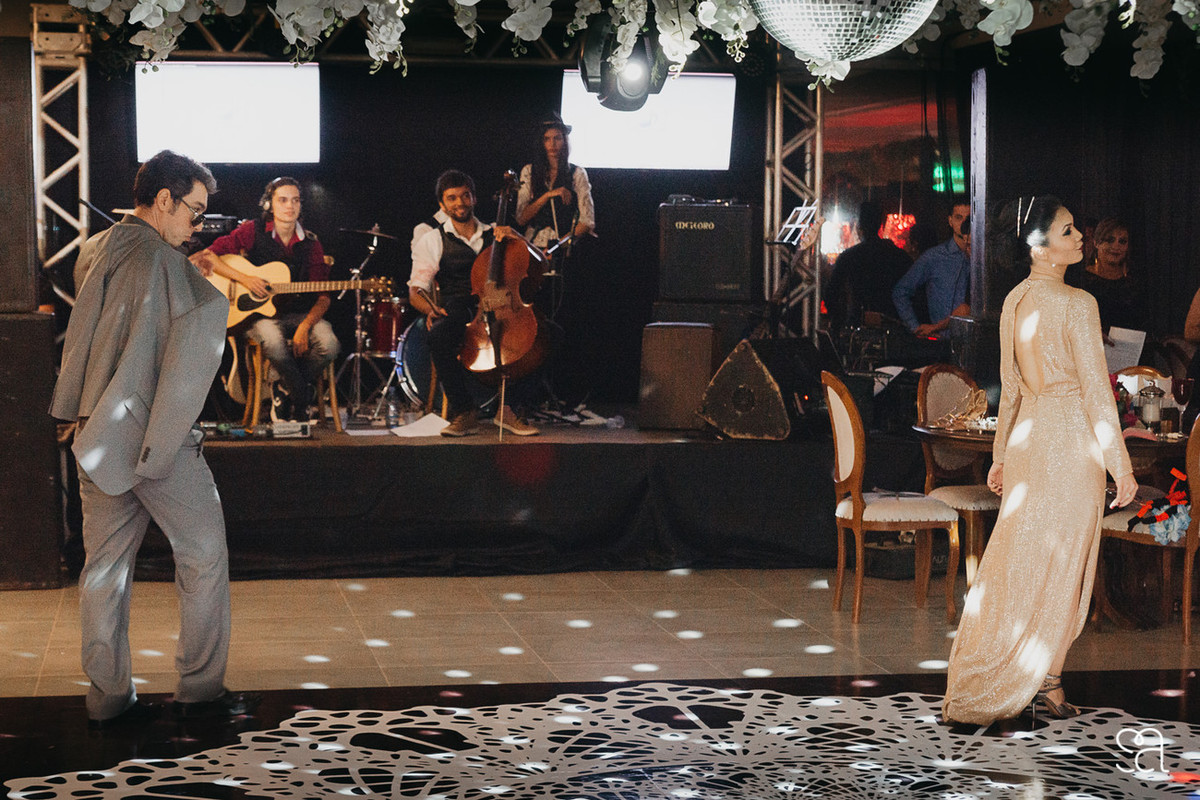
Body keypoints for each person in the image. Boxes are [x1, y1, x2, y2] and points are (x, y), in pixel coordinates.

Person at [49, 150, 259, 729]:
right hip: (155, 439)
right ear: (164, 200)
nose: (198, 227)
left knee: (104, 571)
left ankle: (108, 700)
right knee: (204, 555)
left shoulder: (98, 249)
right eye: (194, 212)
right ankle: (200, 692)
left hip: (94, 434)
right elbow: (201, 326)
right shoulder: (166, 264)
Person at [942, 195, 1137, 725]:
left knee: (1020, 559)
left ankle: (1028, 678)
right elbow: (1096, 392)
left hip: (1030, 440)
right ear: (1039, 246)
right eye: (1068, 231)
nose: (1081, 238)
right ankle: (1043, 680)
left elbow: (1011, 389)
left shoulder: (1015, 299)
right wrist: (1121, 465)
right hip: (1070, 442)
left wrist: (1001, 456)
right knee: (1063, 565)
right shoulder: (1078, 303)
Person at [191, 177, 340, 421]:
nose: (290, 206)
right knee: (273, 340)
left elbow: (323, 298)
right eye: (283, 200)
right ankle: (302, 395)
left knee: (330, 344)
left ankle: (284, 388)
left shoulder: (312, 244)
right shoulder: (252, 231)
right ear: (269, 204)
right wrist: (246, 279)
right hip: (259, 316)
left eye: (295, 200)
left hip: (300, 315)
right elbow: (209, 256)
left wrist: (305, 326)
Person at [410, 169, 539, 437]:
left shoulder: (496, 232)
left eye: (465, 196)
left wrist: (518, 238)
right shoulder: (432, 239)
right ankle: (465, 411)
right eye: (452, 198)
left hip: (502, 303)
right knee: (439, 334)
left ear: (474, 198)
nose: (460, 203)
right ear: (442, 204)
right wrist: (430, 309)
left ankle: (508, 409)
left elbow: (540, 260)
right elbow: (416, 291)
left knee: (545, 337)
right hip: (460, 306)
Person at [824, 200, 912, 335]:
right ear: (881, 225)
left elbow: (831, 293)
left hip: (857, 326)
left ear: (859, 226)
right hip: (892, 327)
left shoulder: (849, 257)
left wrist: (839, 321)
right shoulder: (900, 256)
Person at [892, 198, 971, 337]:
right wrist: (916, 328)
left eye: (968, 219)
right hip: (943, 340)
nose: (964, 224)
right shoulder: (934, 257)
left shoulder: (982, 257)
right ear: (950, 221)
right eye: (959, 218)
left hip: (977, 341)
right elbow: (901, 291)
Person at [515, 116, 595, 249]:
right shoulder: (529, 171)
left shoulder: (577, 173)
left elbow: (587, 222)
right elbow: (521, 218)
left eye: (557, 138)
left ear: (564, 140)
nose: (552, 144)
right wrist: (548, 195)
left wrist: (556, 248)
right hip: (534, 246)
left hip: (564, 246)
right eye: (547, 139)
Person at [1077, 217, 1142, 332]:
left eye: (1122, 241)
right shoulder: (1083, 280)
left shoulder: (1134, 279)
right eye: (1110, 240)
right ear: (1096, 243)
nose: (1116, 247)